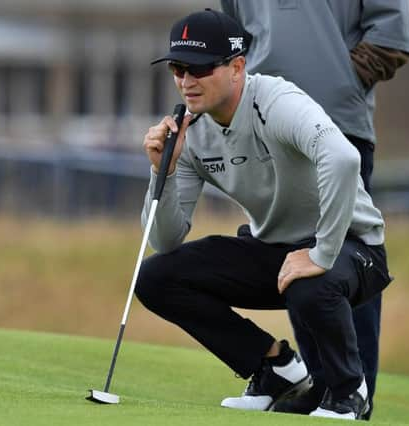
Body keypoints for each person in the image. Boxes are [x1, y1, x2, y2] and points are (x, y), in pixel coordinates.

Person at [136, 9, 392, 420]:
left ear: (237, 67)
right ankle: (273, 367)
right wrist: (161, 171)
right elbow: (165, 239)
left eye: (199, 68)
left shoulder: (275, 100)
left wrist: (321, 252)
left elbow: (343, 159)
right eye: (178, 68)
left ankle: (349, 392)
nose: (186, 81)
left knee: (310, 283)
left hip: (353, 249)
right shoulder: (189, 131)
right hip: (274, 250)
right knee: (156, 277)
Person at [219, 1, 409, 419]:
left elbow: (391, 34)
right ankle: (324, 384)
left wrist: (341, 81)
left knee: (345, 254)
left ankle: (354, 392)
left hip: (337, 120)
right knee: (292, 249)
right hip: (264, 120)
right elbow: (236, 35)